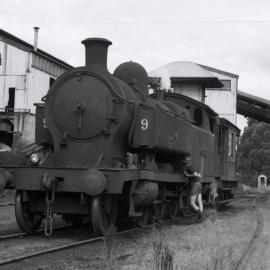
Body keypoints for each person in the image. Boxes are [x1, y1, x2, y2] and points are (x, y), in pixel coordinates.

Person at [183, 155, 204, 223]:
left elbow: (195, 174)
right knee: (199, 201)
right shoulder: (194, 166)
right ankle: (200, 217)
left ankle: (201, 216)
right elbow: (199, 175)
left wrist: (188, 175)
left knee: (192, 203)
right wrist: (196, 175)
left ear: (186, 163)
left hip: (195, 185)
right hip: (199, 184)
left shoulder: (189, 167)